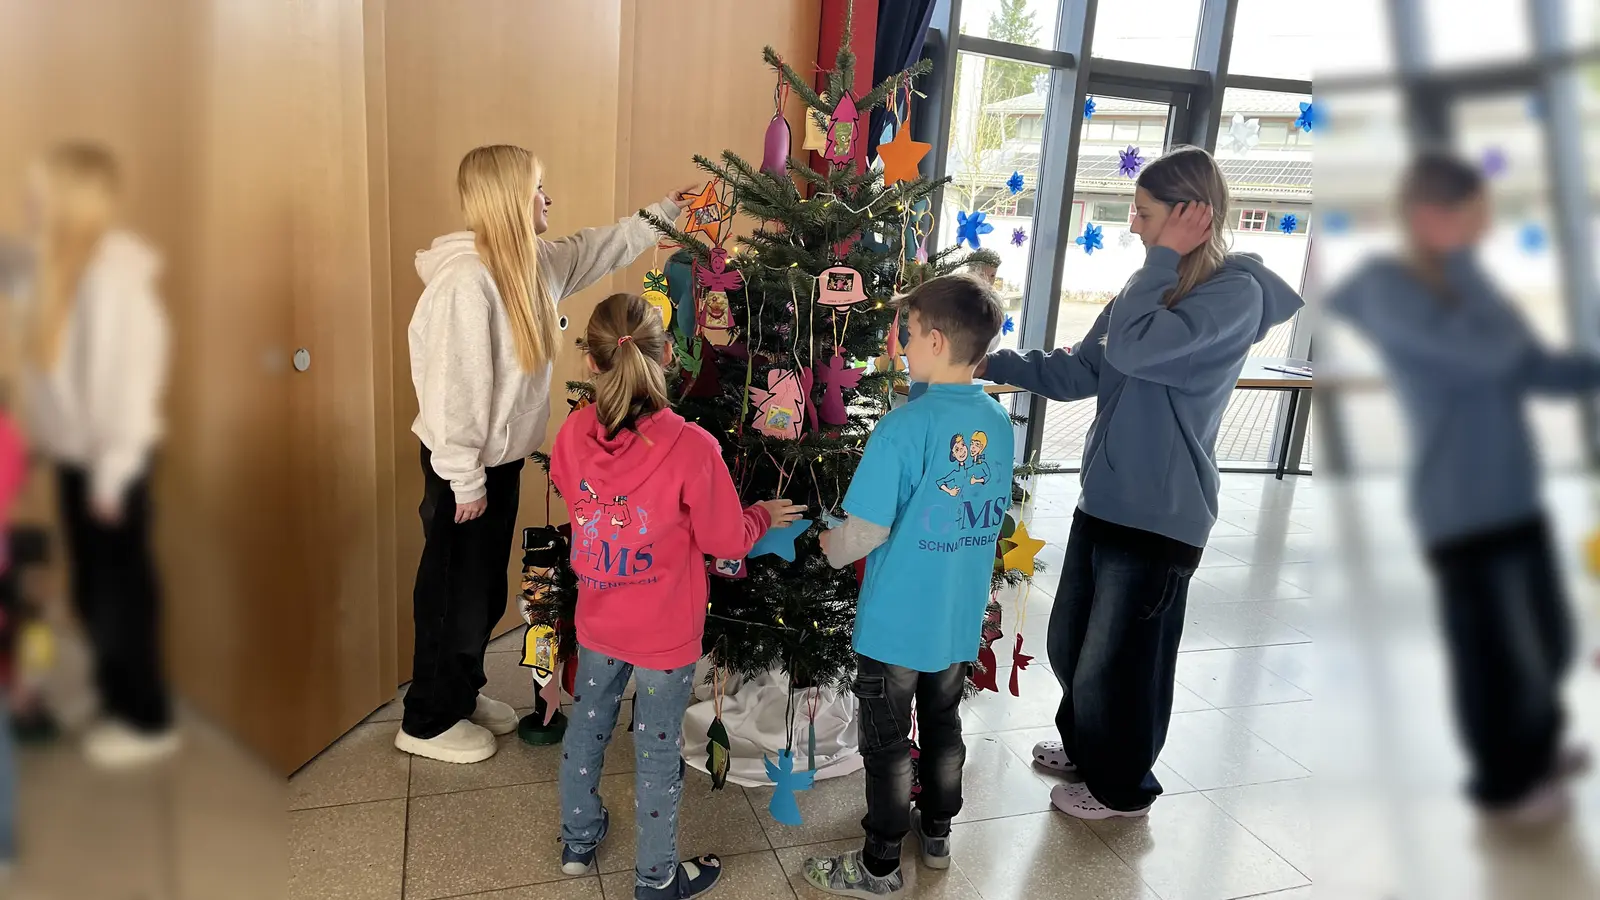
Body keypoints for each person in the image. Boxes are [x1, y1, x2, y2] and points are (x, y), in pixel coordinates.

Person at [979, 146, 1303, 819]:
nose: (1132, 223)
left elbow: (1136, 348)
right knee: (1073, 643)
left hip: (1161, 511)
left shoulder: (1235, 295)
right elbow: (1083, 369)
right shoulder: (1149, 284)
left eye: (1145, 212)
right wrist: (990, 361)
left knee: (1123, 659)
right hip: (1106, 498)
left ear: (1191, 215)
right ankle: (1087, 747)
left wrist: (1158, 266)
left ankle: (1123, 787)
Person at [400, 144, 698, 764]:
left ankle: (460, 693)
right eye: (539, 188)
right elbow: (453, 392)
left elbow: (598, 247)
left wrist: (665, 212)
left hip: (496, 464)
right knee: (454, 594)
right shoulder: (466, 281)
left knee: (483, 591)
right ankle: (427, 720)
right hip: (464, 469)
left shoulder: (531, 263)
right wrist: (464, 481)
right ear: (511, 199)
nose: (549, 199)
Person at [1326, 151, 1595, 824]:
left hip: (1515, 497)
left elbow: (1531, 367)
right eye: (1472, 215)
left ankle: (1535, 749)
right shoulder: (1387, 288)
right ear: (1427, 216)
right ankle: (1503, 784)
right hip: (1461, 508)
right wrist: (1468, 267)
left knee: (1550, 640)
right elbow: (1488, 355)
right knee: (1499, 656)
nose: (1483, 229)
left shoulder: (1464, 285)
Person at [550, 293, 803, 899]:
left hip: (599, 619)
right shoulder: (691, 446)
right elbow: (725, 541)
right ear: (667, 357)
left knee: (586, 727)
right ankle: (656, 879)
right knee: (657, 753)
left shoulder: (572, 433)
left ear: (590, 361)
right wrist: (760, 515)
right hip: (664, 635)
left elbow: (570, 491)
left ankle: (578, 841)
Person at [803, 274, 1012, 897]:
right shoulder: (996, 421)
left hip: (895, 625)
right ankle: (938, 834)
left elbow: (864, 530)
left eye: (911, 332)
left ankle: (879, 864)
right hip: (956, 619)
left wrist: (830, 547)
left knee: (889, 745)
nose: (902, 343)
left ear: (937, 341)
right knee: (944, 725)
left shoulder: (903, 426)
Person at [1, 143, 176, 769]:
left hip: (113, 466)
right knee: (93, 589)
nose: (27, 205)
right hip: (81, 461)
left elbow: (129, 392)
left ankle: (145, 718)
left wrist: (110, 478)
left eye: (38, 194)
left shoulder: (114, 283)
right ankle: (116, 698)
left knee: (118, 593)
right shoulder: (56, 272)